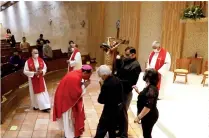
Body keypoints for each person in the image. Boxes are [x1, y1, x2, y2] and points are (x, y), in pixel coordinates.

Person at [53, 65, 93, 138]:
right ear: (84, 72)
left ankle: (71, 133)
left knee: (71, 119)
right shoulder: (75, 78)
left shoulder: (77, 73)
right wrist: (85, 86)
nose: (88, 78)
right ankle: (69, 135)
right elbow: (76, 94)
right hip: (66, 101)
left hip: (66, 97)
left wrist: (83, 85)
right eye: (88, 75)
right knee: (69, 119)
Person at [115, 47, 141, 137]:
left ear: (133, 55)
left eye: (127, 54)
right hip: (120, 90)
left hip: (126, 92)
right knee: (118, 112)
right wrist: (118, 61)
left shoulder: (136, 65)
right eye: (125, 54)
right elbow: (118, 70)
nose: (125, 56)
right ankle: (119, 130)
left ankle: (123, 134)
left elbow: (131, 82)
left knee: (123, 113)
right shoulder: (125, 61)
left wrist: (118, 81)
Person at [95, 65, 124, 138]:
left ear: (104, 75)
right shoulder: (117, 80)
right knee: (112, 129)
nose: (101, 78)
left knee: (101, 129)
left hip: (109, 110)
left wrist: (101, 85)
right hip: (117, 108)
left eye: (101, 76)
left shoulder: (106, 84)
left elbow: (100, 100)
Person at [132, 68, 159, 138]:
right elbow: (146, 97)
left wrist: (138, 117)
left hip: (150, 116)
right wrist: (138, 91)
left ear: (149, 77)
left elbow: (148, 106)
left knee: (147, 134)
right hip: (147, 115)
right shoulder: (149, 86)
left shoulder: (151, 89)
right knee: (146, 133)